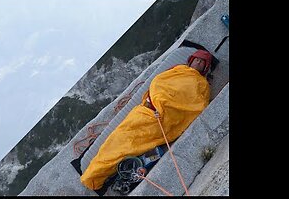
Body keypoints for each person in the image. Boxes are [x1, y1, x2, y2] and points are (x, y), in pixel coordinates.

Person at [80, 49, 214, 191]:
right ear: (191, 60)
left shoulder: (202, 84)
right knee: (117, 139)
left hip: (160, 121)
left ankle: (95, 178)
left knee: (126, 148)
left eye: (201, 62)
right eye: (196, 59)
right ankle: (94, 176)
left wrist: (167, 111)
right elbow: (158, 82)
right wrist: (157, 101)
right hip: (146, 110)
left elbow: (198, 106)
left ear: (204, 68)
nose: (198, 62)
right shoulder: (178, 70)